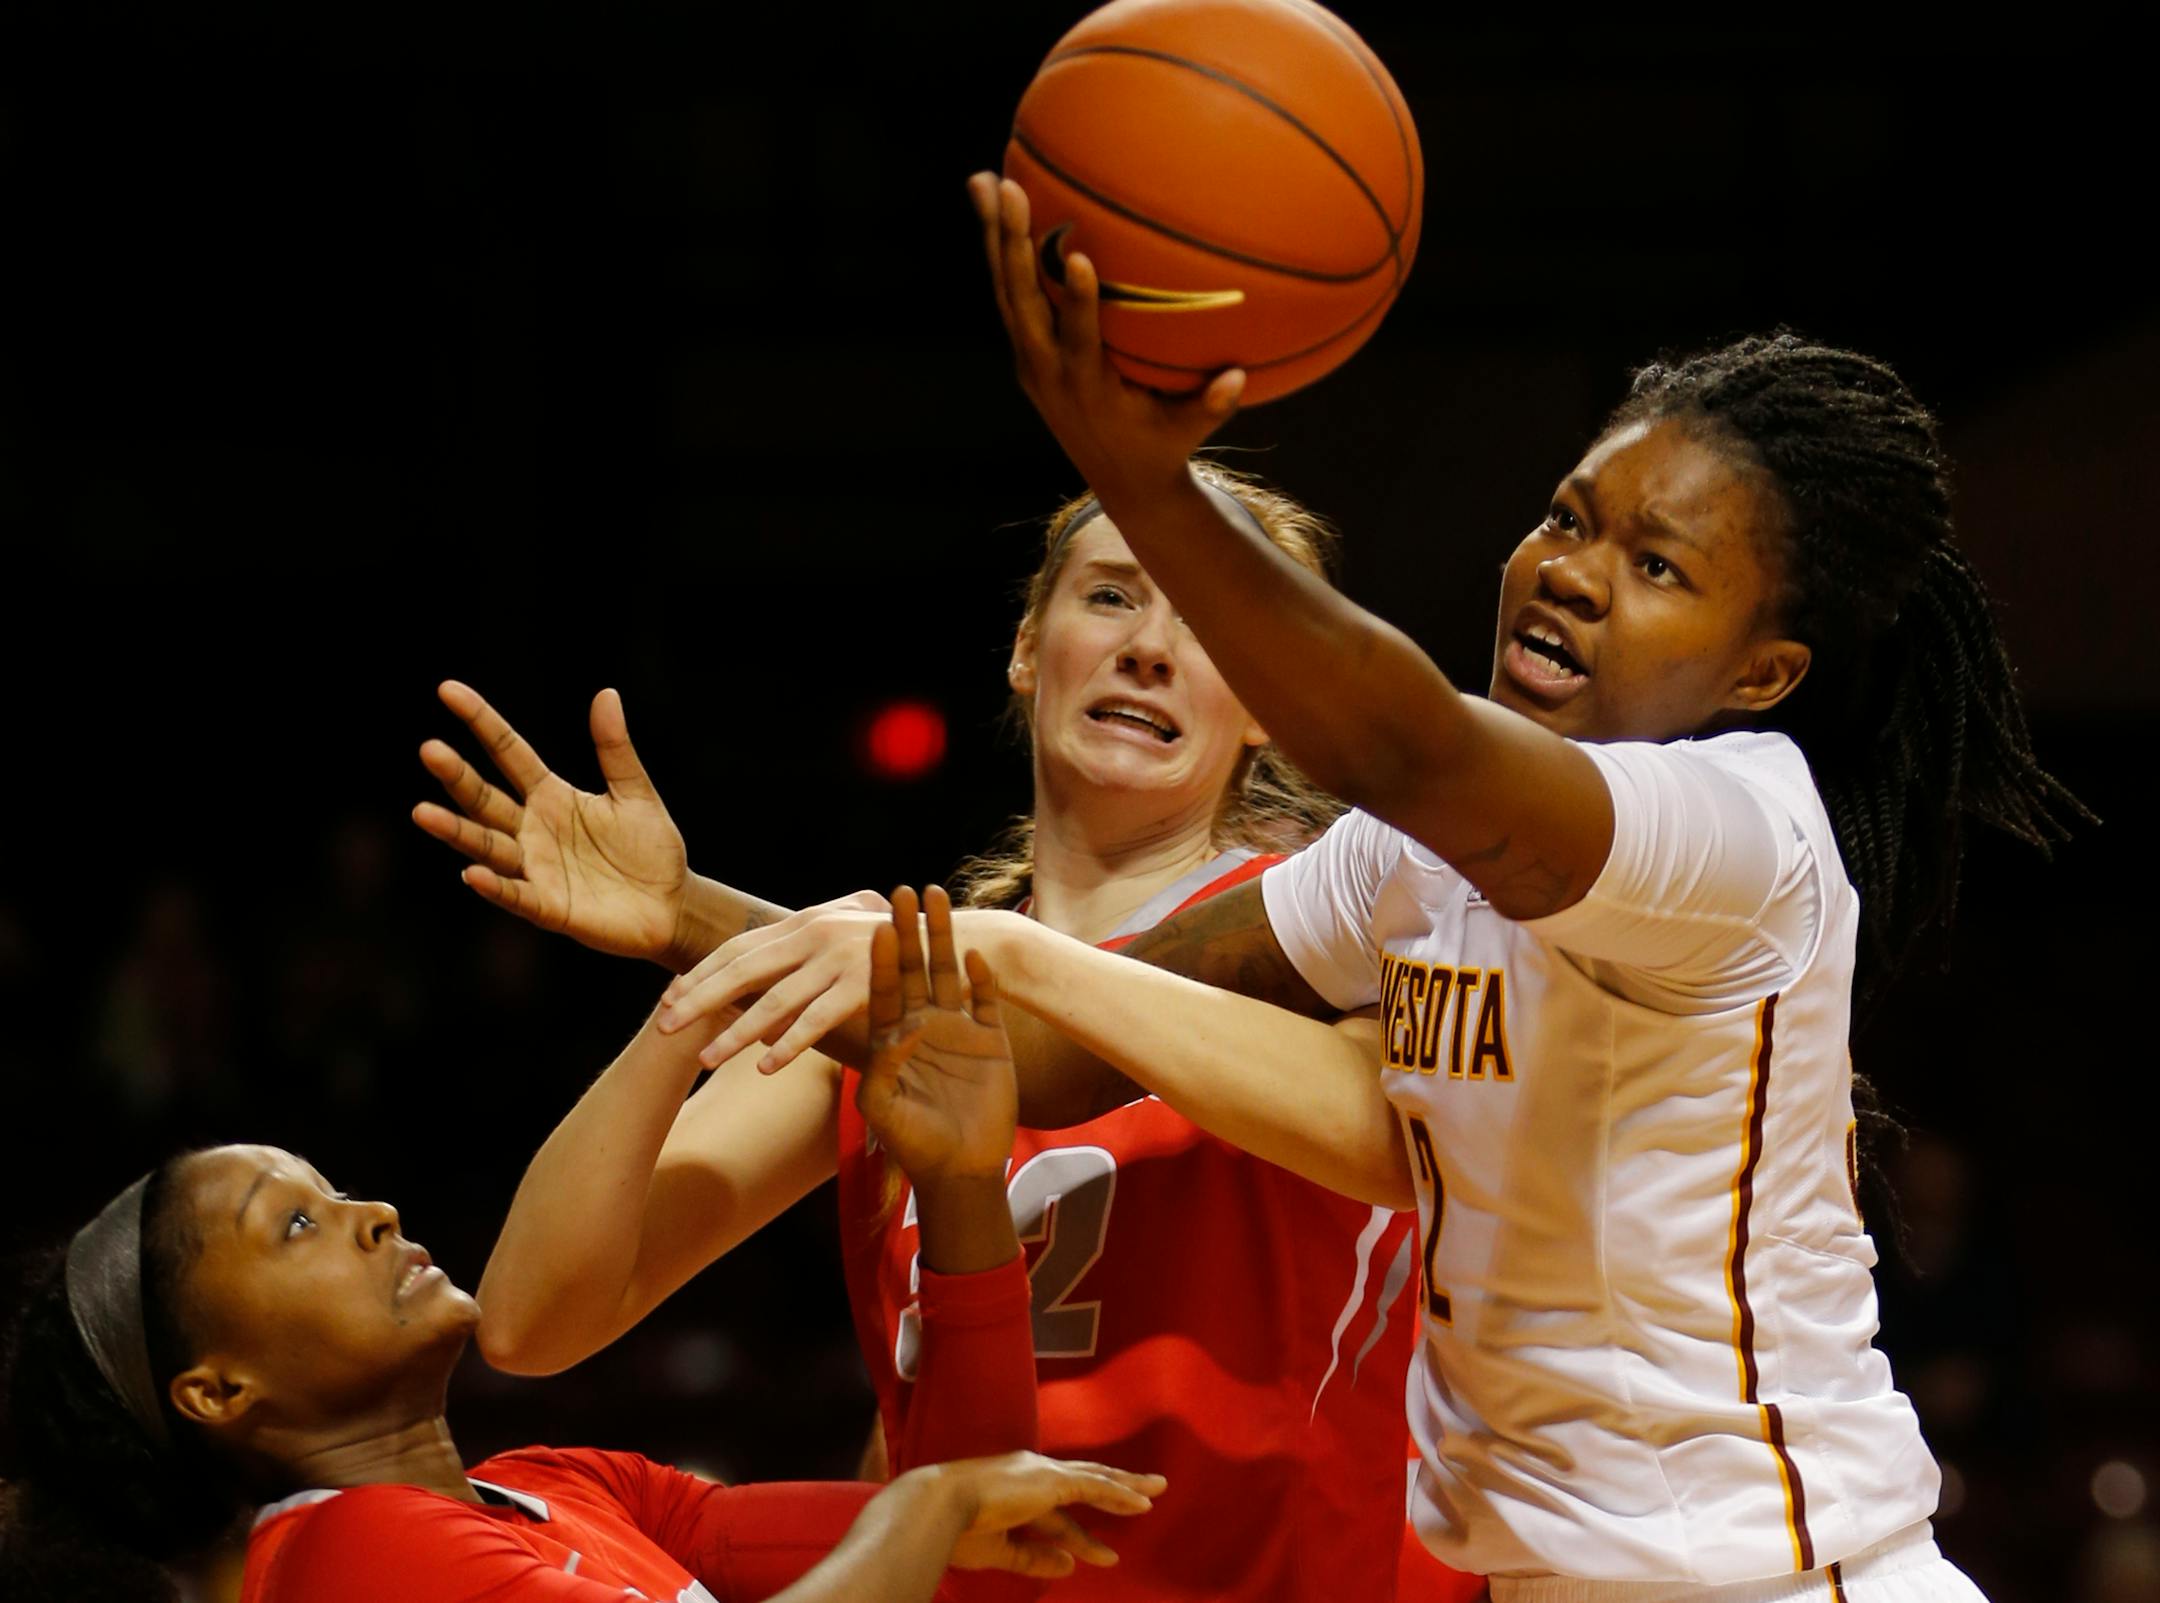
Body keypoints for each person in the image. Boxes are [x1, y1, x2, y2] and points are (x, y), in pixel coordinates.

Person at [654, 177, 2093, 1601]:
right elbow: (1046, 1059)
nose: (1574, 573)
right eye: (1569, 516)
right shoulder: (1404, 855)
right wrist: (689, 914)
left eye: (1657, 567)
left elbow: (1392, 739)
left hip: (1773, 1577)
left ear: (1759, 672)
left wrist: (1153, 490)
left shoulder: (1730, 828)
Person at [412, 460, 1484, 1602]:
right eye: (1113, 595)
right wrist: (689, 964)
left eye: (1211, 619)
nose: (1151, 647)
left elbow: (1388, 1139)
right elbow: (531, 1322)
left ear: (1270, 699)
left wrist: (932, 950)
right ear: (1029, 648)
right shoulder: (879, 971)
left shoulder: (1327, 933)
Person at [0, 892, 1163, 1603]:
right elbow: (929, 1521)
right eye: (296, 1225)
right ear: (216, 1388)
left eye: (339, 1191)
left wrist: (962, 1184)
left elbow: (967, 1525)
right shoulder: (348, 1559)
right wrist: (928, 1516)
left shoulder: (560, 1486)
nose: (376, 1217)